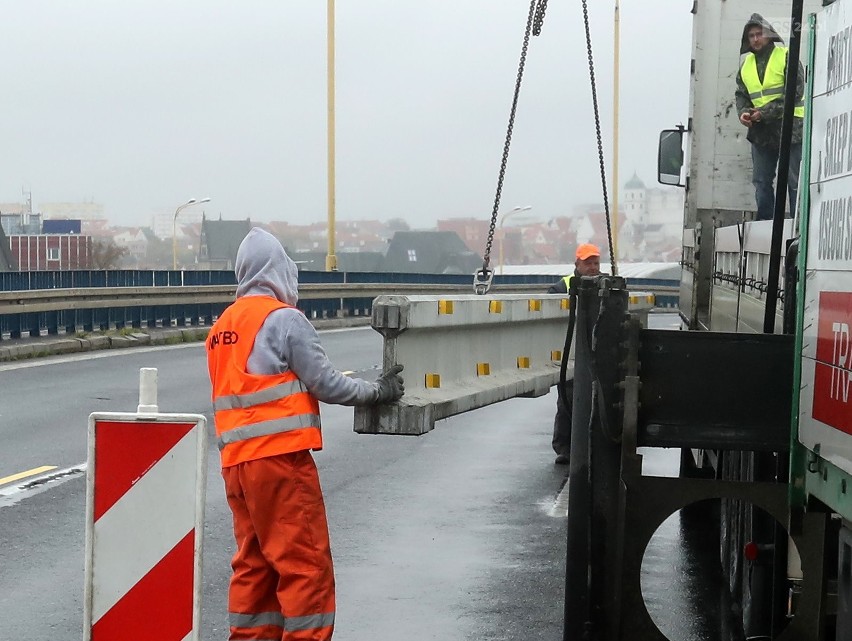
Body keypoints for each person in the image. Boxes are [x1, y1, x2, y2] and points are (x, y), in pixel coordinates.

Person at [206, 227, 404, 641]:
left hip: (236, 468)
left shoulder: (221, 327)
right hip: (280, 463)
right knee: (305, 566)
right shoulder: (283, 320)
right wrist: (379, 391)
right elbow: (327, 383)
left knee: (254, 566)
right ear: (280, 270)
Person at [735, 13, 804, 221]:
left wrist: (762, 113)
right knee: (762, 182)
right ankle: (765, 225)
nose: (756, 39)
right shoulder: (745, 66)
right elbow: (741, 94)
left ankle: (796, 227)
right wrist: (744, 113)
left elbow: (795, 92)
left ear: (769, 35)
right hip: (762, 132)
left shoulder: (786, 56)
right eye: (751, 36)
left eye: (759, 34)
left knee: (793, 181)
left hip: (791, 128)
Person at [548, 243, 602, 465]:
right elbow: (549, 311)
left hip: (597, 354)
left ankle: (594, 447)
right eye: (587, 263)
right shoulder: (562, 287)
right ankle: (565, 448)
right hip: (570, 354)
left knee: (598, 402)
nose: (592, 267)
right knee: (568, 400)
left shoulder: (606, 284)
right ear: (577, 264)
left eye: (595, 263)